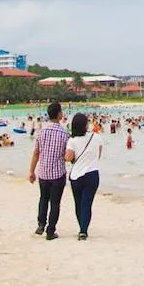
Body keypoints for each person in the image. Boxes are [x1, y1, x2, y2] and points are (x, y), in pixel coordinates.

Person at [29, 102, 69, 240]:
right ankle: (50, 231)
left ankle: (41, 224)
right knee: (55, 203)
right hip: (58, 173)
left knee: (43, 199)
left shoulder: (41, 132)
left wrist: (31, 171)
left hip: (43, 172)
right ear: (59, 114)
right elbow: (67, 155)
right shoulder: (65, 134)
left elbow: (36, 153)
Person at [65, 112, 102, 240]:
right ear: (86, 125)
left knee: (78, 203)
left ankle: (82, 227)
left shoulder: (72, 141)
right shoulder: (95, 137)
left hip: (76, 175)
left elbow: (68, 158)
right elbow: (99, 153)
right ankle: (83, 230)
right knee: (87, 203)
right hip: (92, 173)